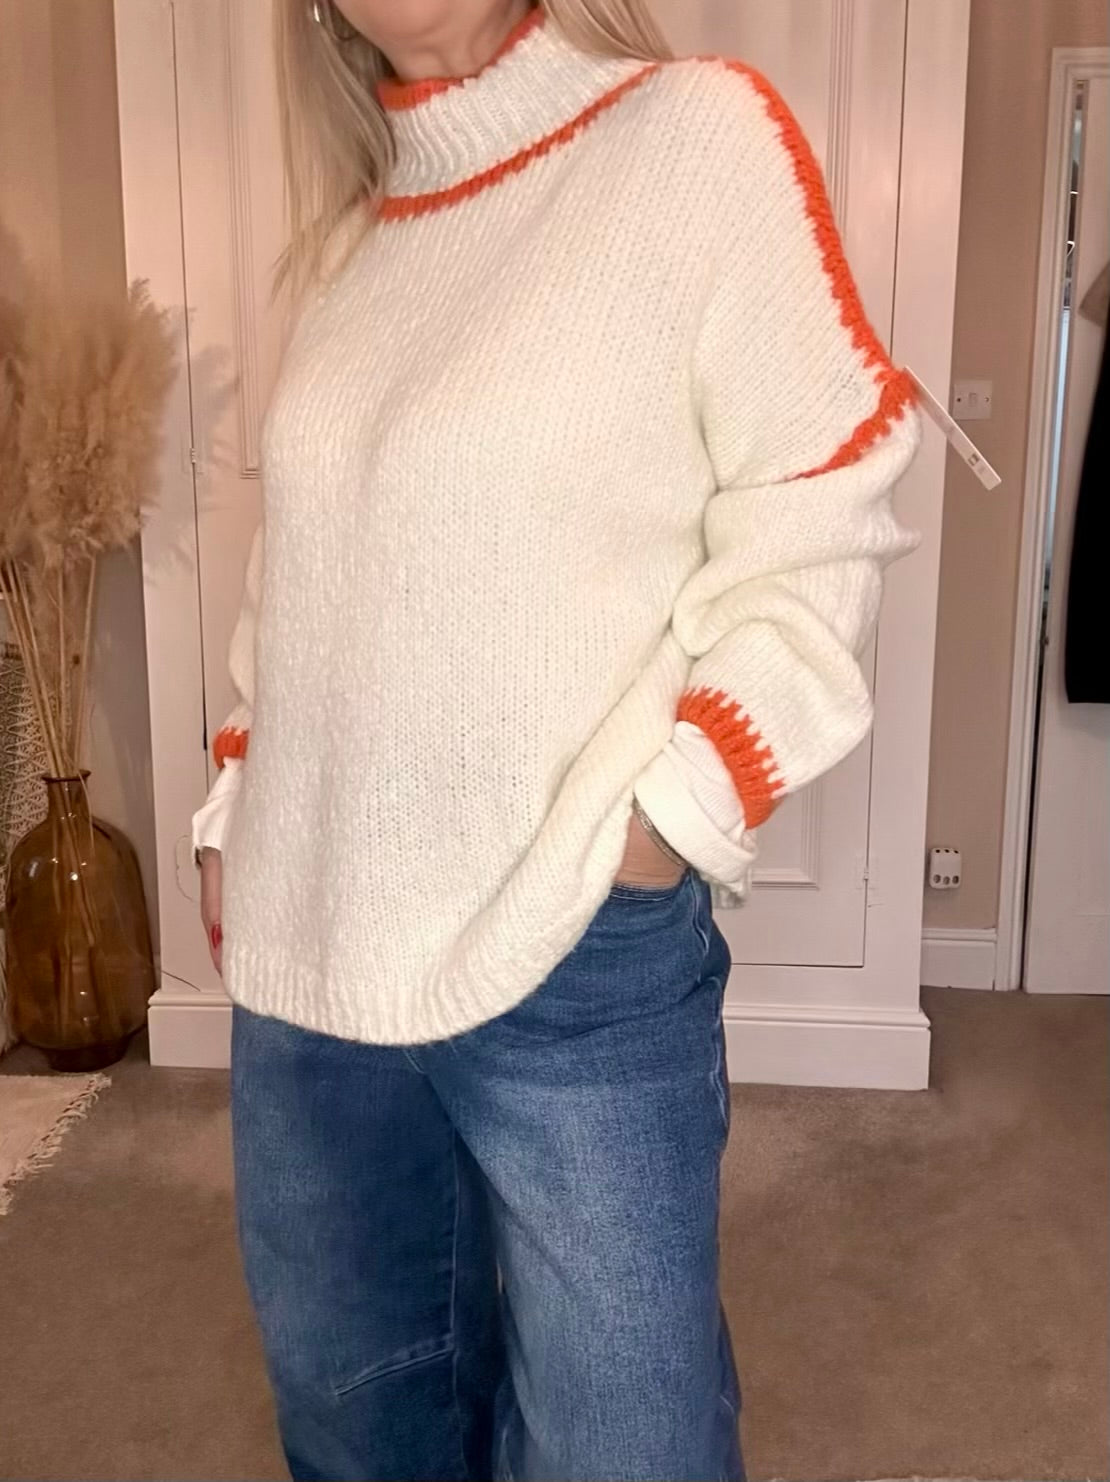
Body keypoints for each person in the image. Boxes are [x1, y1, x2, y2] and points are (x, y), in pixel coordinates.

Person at [191, 2, 923, 1478]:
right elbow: (305, 575)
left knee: (626, 1450)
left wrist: (673, 815)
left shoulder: (697, 136)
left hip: (575, 945)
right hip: (310, 964)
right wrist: (236, 803)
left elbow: (822, 501)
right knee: (355, 1432)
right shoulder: (349, 240)